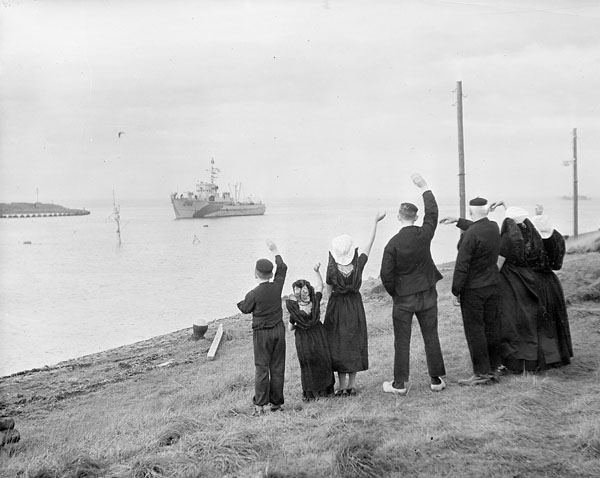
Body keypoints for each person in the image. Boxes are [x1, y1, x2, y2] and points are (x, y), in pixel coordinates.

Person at [380, 173, 446, 395]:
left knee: (402, 340)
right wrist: (424, 187)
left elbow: (386, 275)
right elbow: (433, 213)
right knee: (431, 336)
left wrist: (396, 293)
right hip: (427, 293)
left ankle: (400, 384)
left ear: (399, 217)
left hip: (404, 298)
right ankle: (436, 380)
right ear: (416, 218)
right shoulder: (424, 234)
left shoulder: (392, 244)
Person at [324, 211, 386, 396]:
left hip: (336, 306)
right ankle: (351, 385)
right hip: (354, 306)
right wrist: (375, 221)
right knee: (353, 342)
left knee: (338, 344)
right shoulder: (358, 264)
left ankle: (341, 386)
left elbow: (328, 291)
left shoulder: (332, 267)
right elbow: (370, 243)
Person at [441, 197, 502, 386]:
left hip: (474, 290)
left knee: (475, 331)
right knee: (491, 328)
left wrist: (455, 291)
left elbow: (462, 265)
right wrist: (458, 221)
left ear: (470, 212)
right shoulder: (493, 227)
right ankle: (493, 368)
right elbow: (478, 226)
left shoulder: (470, 236)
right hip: (492, 285)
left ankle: (481, 374)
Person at [237, 239, 288, 415]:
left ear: (256, 273)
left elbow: (245, 308)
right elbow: (283, 268)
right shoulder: (277, 286)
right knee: (277, 367)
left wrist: (239, 303)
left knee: (262, 369)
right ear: (270, 273)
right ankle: (277, 404)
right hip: (278, 331)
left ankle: (260, 406)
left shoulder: (253, 294)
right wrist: (275, 250)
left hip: (262, 334)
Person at [495, 206, 546, 372]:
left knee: (510, 322)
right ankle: (532, 362)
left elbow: (498, 265)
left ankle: (514, 364)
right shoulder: (531, 235)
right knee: (528, 322)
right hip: (528, 280)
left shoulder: (507, 238)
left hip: (510, 282)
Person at [529, 209, 573, 368]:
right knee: (555, 318)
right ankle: (560, 354)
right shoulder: (557, 239)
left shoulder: (534, 242)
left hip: (535, 281)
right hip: (552, 282)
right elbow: (557, 265)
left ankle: (545, 357)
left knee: (540, 319)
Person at [285, 263, 335, 401]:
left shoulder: (295, 309)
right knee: (323, 360)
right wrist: (317, 272)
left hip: (303, 338)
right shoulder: (315, 301)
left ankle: (311, 394)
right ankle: (326, 391)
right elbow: (320, 286)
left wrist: (301, 326)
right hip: (318, 334)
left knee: (308, 364)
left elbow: (290, 328)